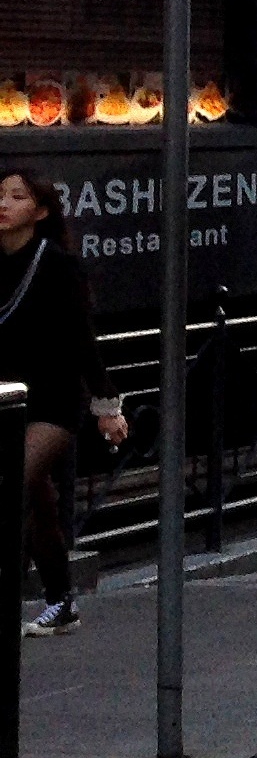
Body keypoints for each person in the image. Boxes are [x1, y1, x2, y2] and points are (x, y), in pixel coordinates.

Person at [0, 171, 124, 638]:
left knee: (10, 483)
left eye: (17, 196)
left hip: (52, 403)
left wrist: (106, 406)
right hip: (5, 399)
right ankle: (60, 603)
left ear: (41, 211)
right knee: (40, 505)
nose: (4, 204)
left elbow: (82, 341)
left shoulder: (57, 265)